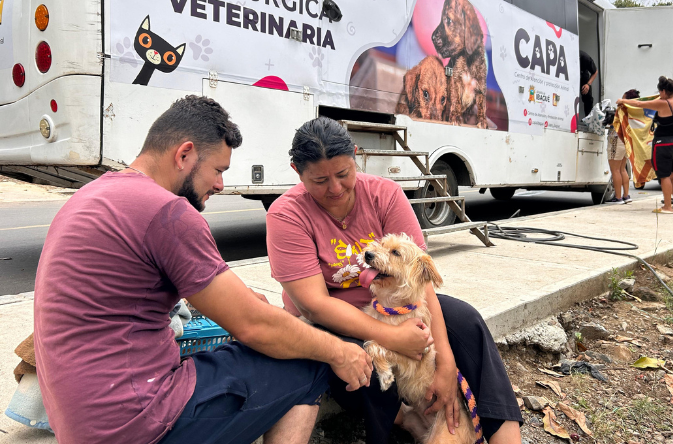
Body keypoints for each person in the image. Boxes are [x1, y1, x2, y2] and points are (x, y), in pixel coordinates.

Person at [33, 96, 373, 444]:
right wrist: (341, 351)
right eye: (218, 170)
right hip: (139, 421)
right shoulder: (167, 212)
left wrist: (244, 305)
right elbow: (256, 327)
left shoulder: (95, 194)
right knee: (313, 359)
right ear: (184, 154)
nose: (220, 185)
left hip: (80, 420)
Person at [265, 117, 523, 444]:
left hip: (395, 303)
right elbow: (314, 306)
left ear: (356, 156)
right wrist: (392, 336)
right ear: (297, 172)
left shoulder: (385, 194)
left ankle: (506, 437)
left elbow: (420, 277)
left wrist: (445, 363)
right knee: (369, 363)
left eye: (344, 174)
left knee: (466, 322)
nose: (335, 189)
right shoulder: (286, 215)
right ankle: (394, 428)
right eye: (319, 180)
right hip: (333, 319)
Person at [617, 76, 673, 214]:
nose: (659, 94)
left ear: (664, 91)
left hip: (664, 143)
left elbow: (639, 105)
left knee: (664, 175)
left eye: (660, 92)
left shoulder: (663, 103)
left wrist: (622, 101)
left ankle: (667, 206)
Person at [606, 89, 640, 204]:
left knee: (615, 169)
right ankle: (626, 195)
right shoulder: (634, 111)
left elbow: (615, 123)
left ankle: (618, 197)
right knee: (622, 169)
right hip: (626, 140)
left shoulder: (622, 109)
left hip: (616, 139)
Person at [580, 50, 598, 116]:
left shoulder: (585, 57)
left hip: (583, 75)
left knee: (588, 98)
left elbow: (595, 72)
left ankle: (588, 119)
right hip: (571, 76)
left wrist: (588, 84)